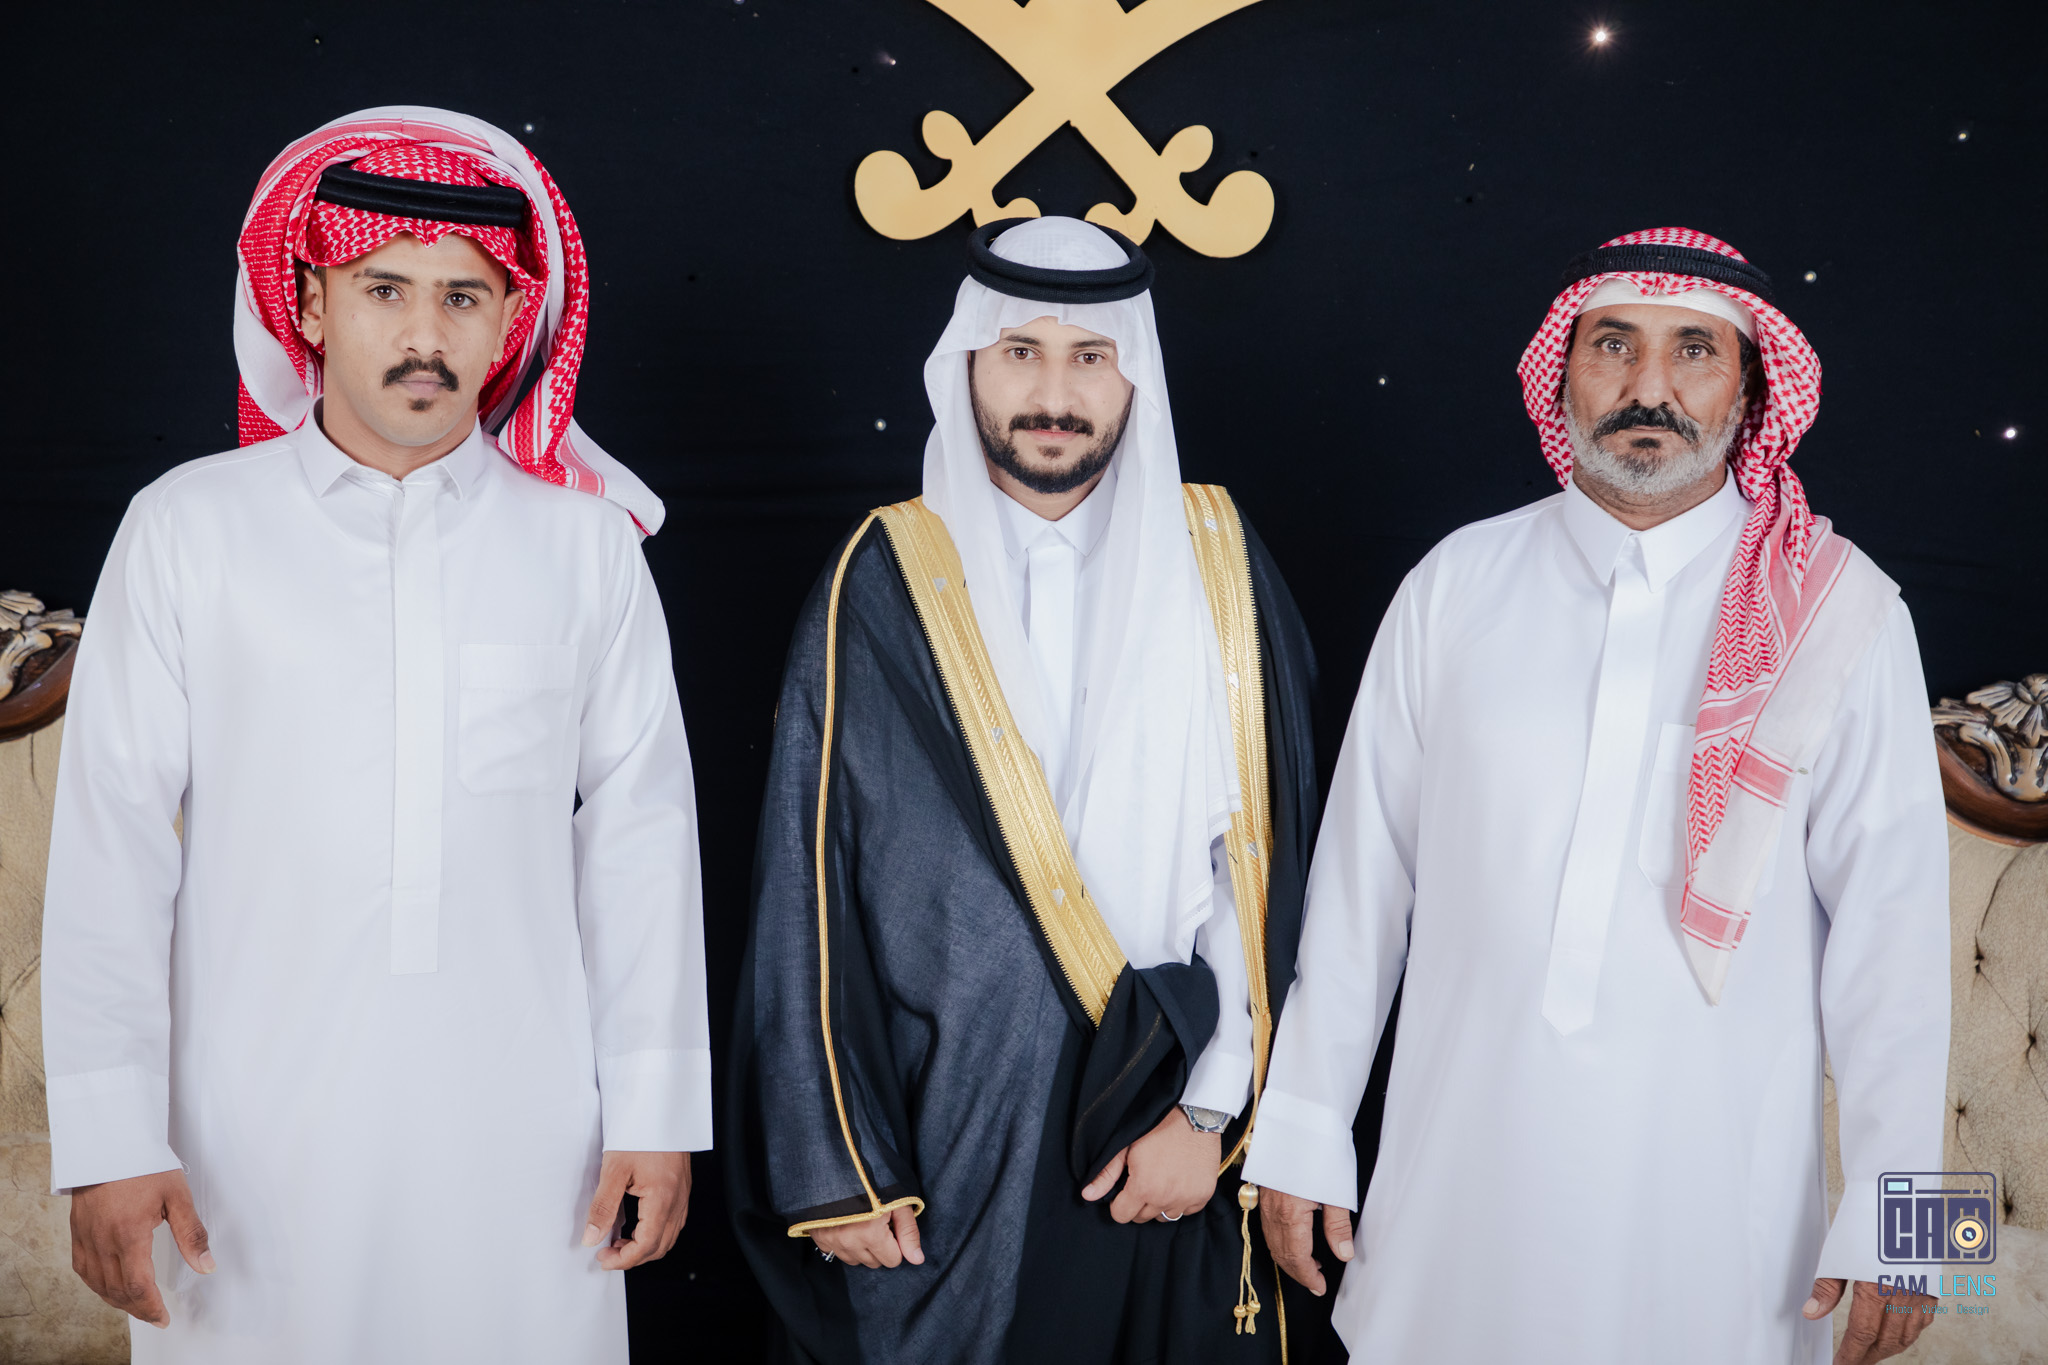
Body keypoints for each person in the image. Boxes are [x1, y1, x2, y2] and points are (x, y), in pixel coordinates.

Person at [41, 106, 710, 1364]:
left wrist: (657, 1110)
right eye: (383, 289)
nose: (424, 337)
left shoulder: (584, 551)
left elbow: (640, 844)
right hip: (242, 1145)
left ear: (511, 322)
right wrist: (111, 1138)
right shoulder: (188, 529)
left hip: (528, 1146)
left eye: (463, 298)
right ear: (308, 304)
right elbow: (112, 850)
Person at [1243, 228, 1949, 1364]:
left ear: (1748, 389)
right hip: (1459, 1191)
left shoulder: (1844, 614)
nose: (1647, 387)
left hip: (1716, 1215)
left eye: (1694, 352)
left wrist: (1919, 1238)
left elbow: (1901, 941)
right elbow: (1360, 887)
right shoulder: (1454, 583)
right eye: (1612, 345)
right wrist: (1303, 1131)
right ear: (1561, 373)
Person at [728, 216, 1323, 1363]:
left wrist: (1207, 1110)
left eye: (1089, 357)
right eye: (1020, 354)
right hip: (944, 1131)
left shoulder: (1215, 559)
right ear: (967, 365)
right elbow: (808, 887)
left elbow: (1262, 868)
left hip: (1164, 1130)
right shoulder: (882, 575)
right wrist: (838, 1164)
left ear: (1132, 373)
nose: (1053, 394)